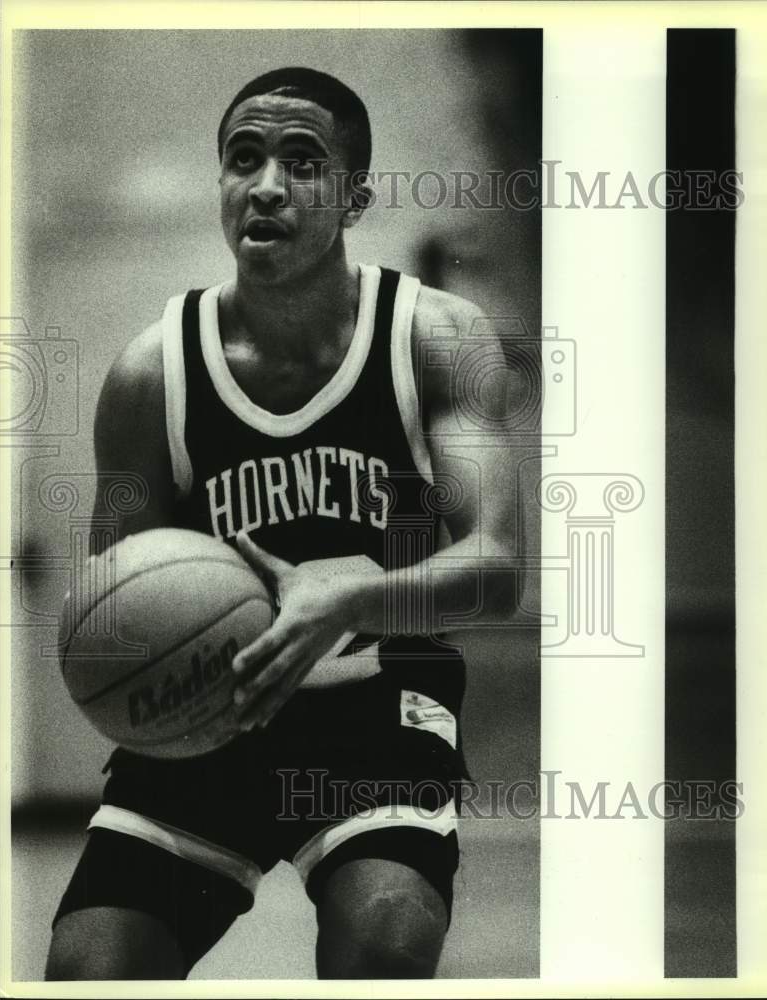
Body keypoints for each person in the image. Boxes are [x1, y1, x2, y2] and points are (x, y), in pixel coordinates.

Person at [45, 66, 517, 980]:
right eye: (243, 158)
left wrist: (348, 601)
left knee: (385, 941)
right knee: (87, 973)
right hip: (206, 716)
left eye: (302, 162)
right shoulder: (153, 376)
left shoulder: (435, 338)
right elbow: (110, 601)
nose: (265, 184)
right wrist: (142, 655)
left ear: (354, 196)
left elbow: (499, 568)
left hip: (378, 704)